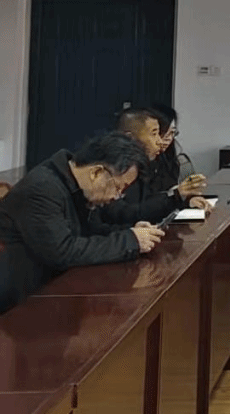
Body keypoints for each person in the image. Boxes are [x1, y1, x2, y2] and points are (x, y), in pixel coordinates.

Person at [0, 132, 164, 314]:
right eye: (118, 188)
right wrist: (130, 240)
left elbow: (92, 232)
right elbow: (62, 252)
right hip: (17, 305)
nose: (115, 197)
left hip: (51, 293)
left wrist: (133, 233)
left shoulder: (76, 187)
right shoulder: (42, 189)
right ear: (96, 173)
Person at [94, 107, 209, 227]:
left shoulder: (142, 165)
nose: (160, 141)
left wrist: (182, 201)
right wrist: (176, 196)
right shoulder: (111, 167)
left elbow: (148, 202)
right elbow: (125, 214)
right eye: (154, 134)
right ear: (130, 138)